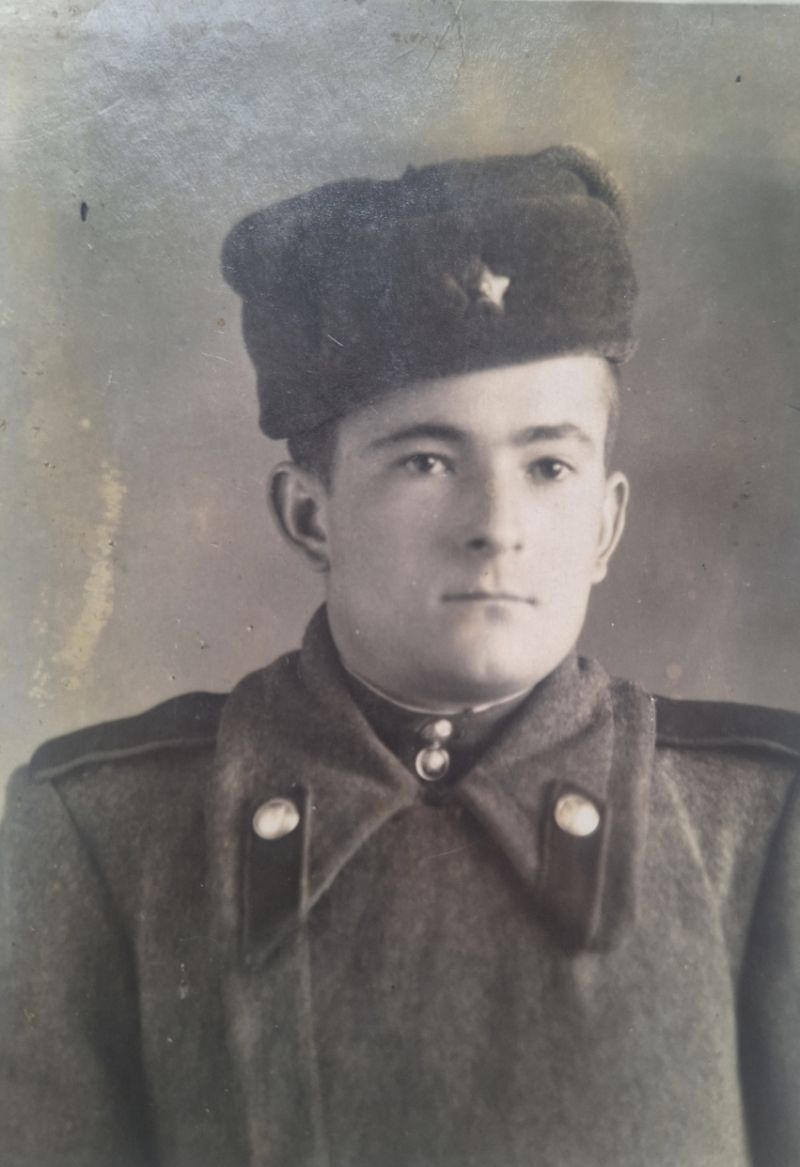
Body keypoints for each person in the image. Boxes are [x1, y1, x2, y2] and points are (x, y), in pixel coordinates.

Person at [1, 146, 798, 1167]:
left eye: (548, 465)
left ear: (604, 524)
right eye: (425, 460)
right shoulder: (106, 835)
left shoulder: (752, 826)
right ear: (309, 514)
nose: (496, 524)